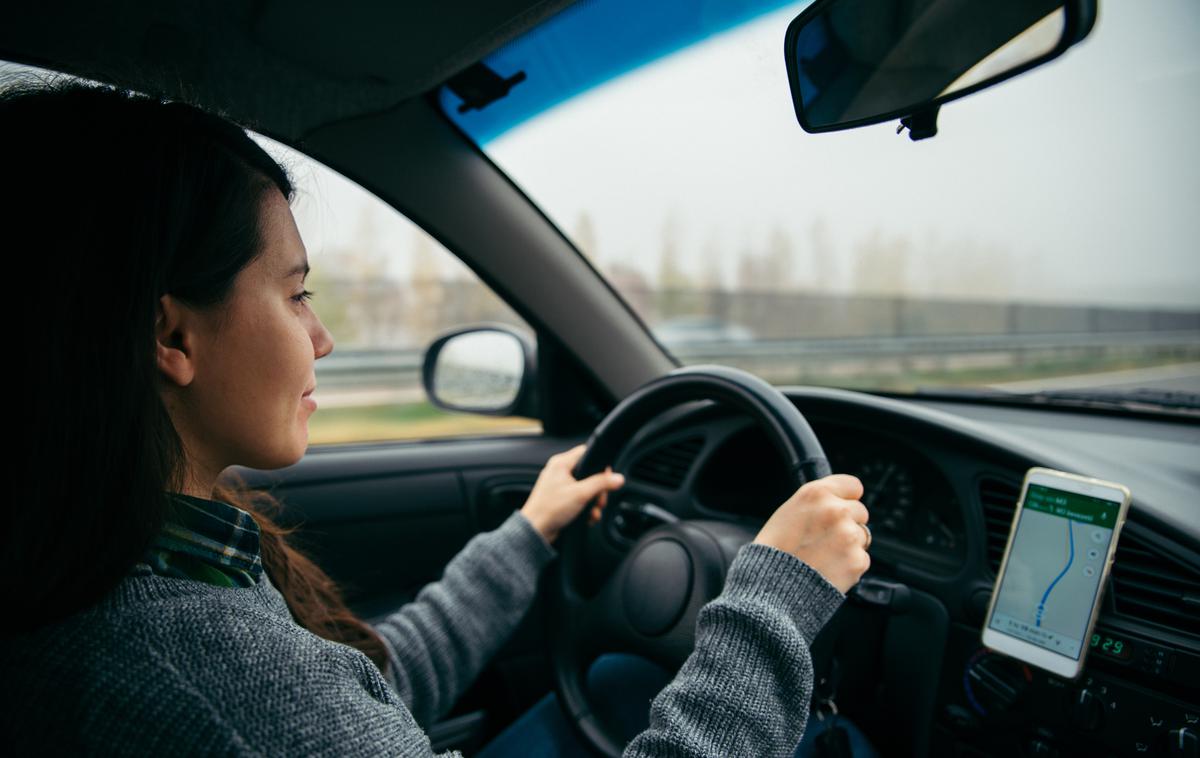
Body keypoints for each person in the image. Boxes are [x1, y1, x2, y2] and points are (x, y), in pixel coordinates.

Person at [0, 80, 874, 756]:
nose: (324, 338)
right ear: (171, 334)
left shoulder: (136, 572)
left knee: (612, 683)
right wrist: (771, 602)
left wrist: (527, 533)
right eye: (296, 294)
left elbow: (372, 689)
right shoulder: (204, 675)